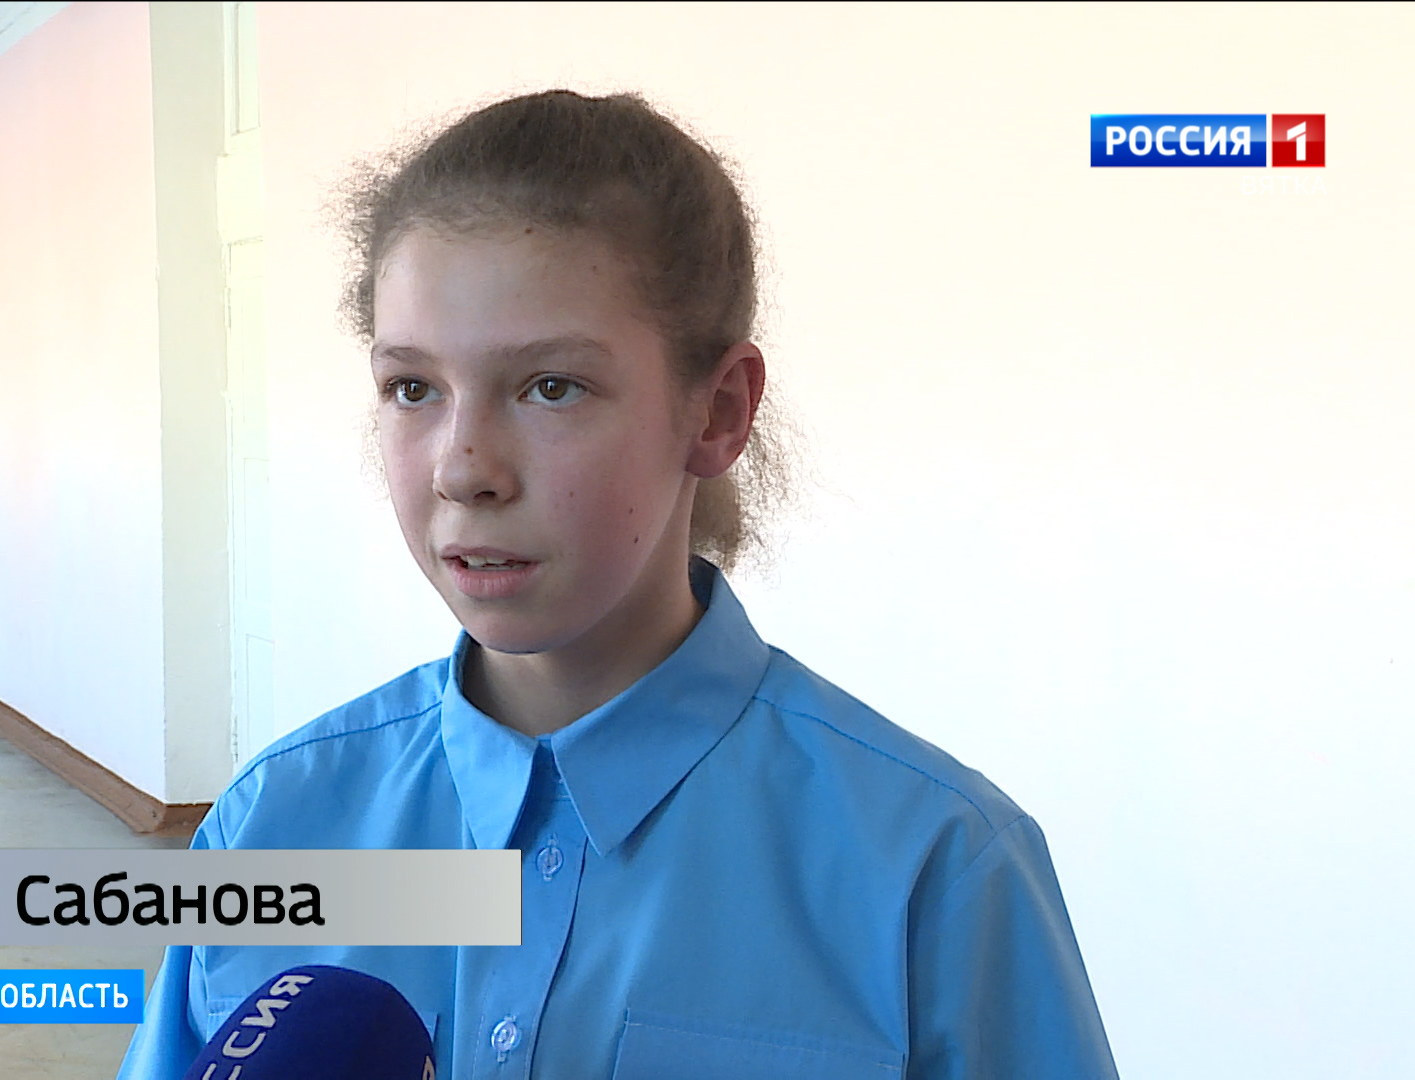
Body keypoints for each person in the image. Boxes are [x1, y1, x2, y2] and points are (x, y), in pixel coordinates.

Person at [118, 89, 1119, 1079]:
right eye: (413, 387)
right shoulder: (272, 824)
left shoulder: (937, 869)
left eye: (551, 387)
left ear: (717, 412)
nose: (463, 468)